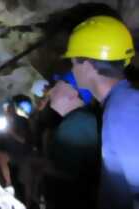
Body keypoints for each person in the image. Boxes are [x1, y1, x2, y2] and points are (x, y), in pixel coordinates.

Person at [63, 15, 139, 208]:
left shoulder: (123, 112)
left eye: (73, 63)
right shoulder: (122, 103)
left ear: (87, 66)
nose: (72, 70)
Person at [40, 71, 100, 209]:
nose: (52, 90)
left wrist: (42, 165)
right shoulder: (80, 120)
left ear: (73, 94)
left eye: (59, 84)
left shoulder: (76, 125)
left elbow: (64, 176)